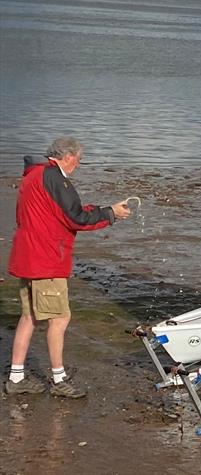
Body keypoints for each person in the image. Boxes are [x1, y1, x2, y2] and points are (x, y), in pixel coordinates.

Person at [5, 137, 131, 399]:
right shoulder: (54, 177)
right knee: (60, 318)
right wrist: (110, 213)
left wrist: (104, 210)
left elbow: (61, 213)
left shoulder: (33, 175)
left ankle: (16, 377)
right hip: (46, 261)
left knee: (30, 317)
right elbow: (77, 218)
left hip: (28, 256)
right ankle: (59, 379)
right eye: (78, 159)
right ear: (68, 156)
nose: (79, 165)